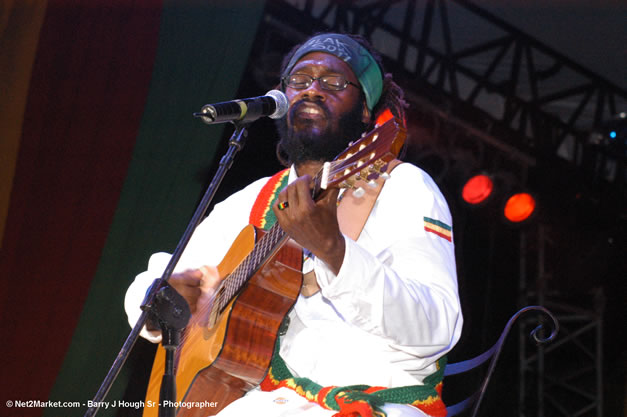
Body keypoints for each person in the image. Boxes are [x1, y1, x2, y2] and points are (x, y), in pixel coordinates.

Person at [125, 33, 462, 417]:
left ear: (367, 110)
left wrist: (336, 253)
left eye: (334, 83)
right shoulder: (256, 198)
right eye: (299, 81)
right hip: (264, 401)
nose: (313, 91)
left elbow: (436, 328)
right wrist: (161, 303)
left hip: (373, 399)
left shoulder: (402, 186)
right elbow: (160, 274)